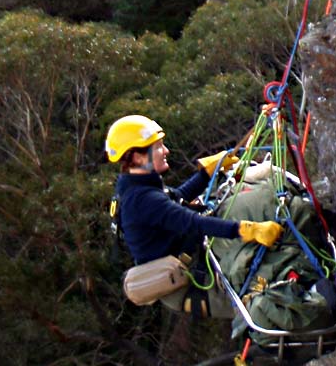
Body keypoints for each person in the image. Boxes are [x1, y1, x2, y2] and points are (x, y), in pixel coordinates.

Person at [106, 114, 283, 317]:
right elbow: (191, 222)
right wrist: (245, 229)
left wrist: (206, 174)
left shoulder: (136, 185)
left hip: (190, 266)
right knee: (264, 299)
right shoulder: (141, 199)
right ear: (138, 157)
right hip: (192, 283)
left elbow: (174, 200)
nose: (166, 151)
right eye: (158, 147)